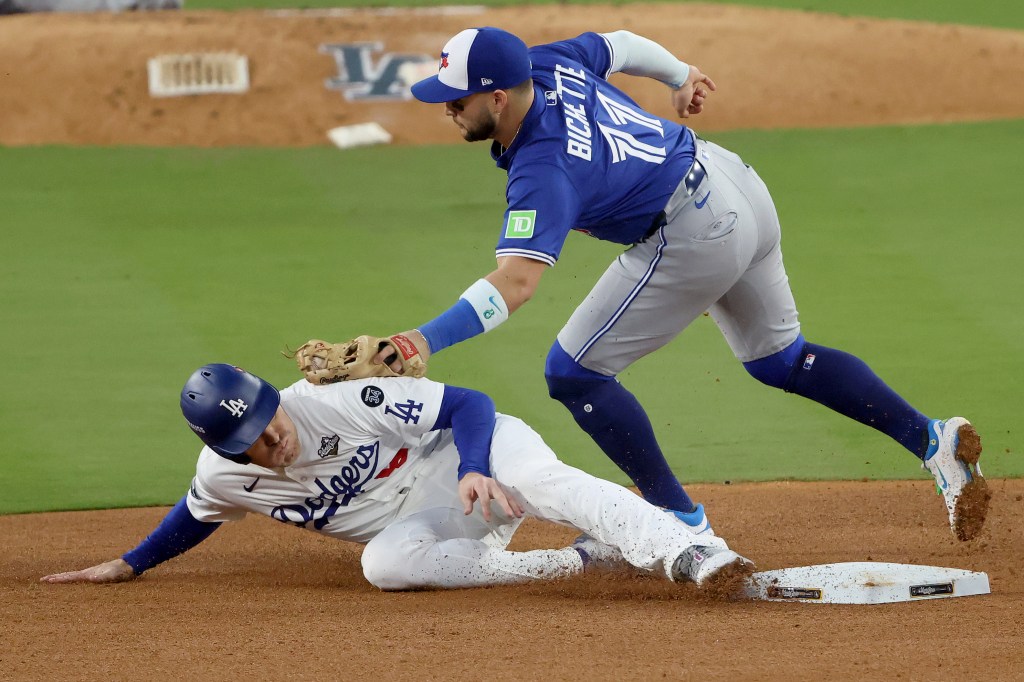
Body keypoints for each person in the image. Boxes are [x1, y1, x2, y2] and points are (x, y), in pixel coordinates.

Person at [368, 27, 987, 541]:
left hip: (692, 235)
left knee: (573, 373)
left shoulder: (542, 167)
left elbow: (517, 282)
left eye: (458, 100)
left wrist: (424, 338)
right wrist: (681, 74)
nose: (446, 109)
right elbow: (621, 44)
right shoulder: (547, 62)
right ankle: (933, 440)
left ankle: (677, 518)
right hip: (733, 180)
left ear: (499, 97)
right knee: (782, 359)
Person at [41, 363, 753, 592]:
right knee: (382, 566)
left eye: (270, 418)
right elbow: (193, 514)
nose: (274, 437)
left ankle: (689, 551)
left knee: (546, 479)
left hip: (478, 455)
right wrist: (131, 563)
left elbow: (470, 403)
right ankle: (574, 561)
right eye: (253, 441)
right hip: (444, 520)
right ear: (228, 451)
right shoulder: (225, 477)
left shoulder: (327, 400)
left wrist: (476, 467)